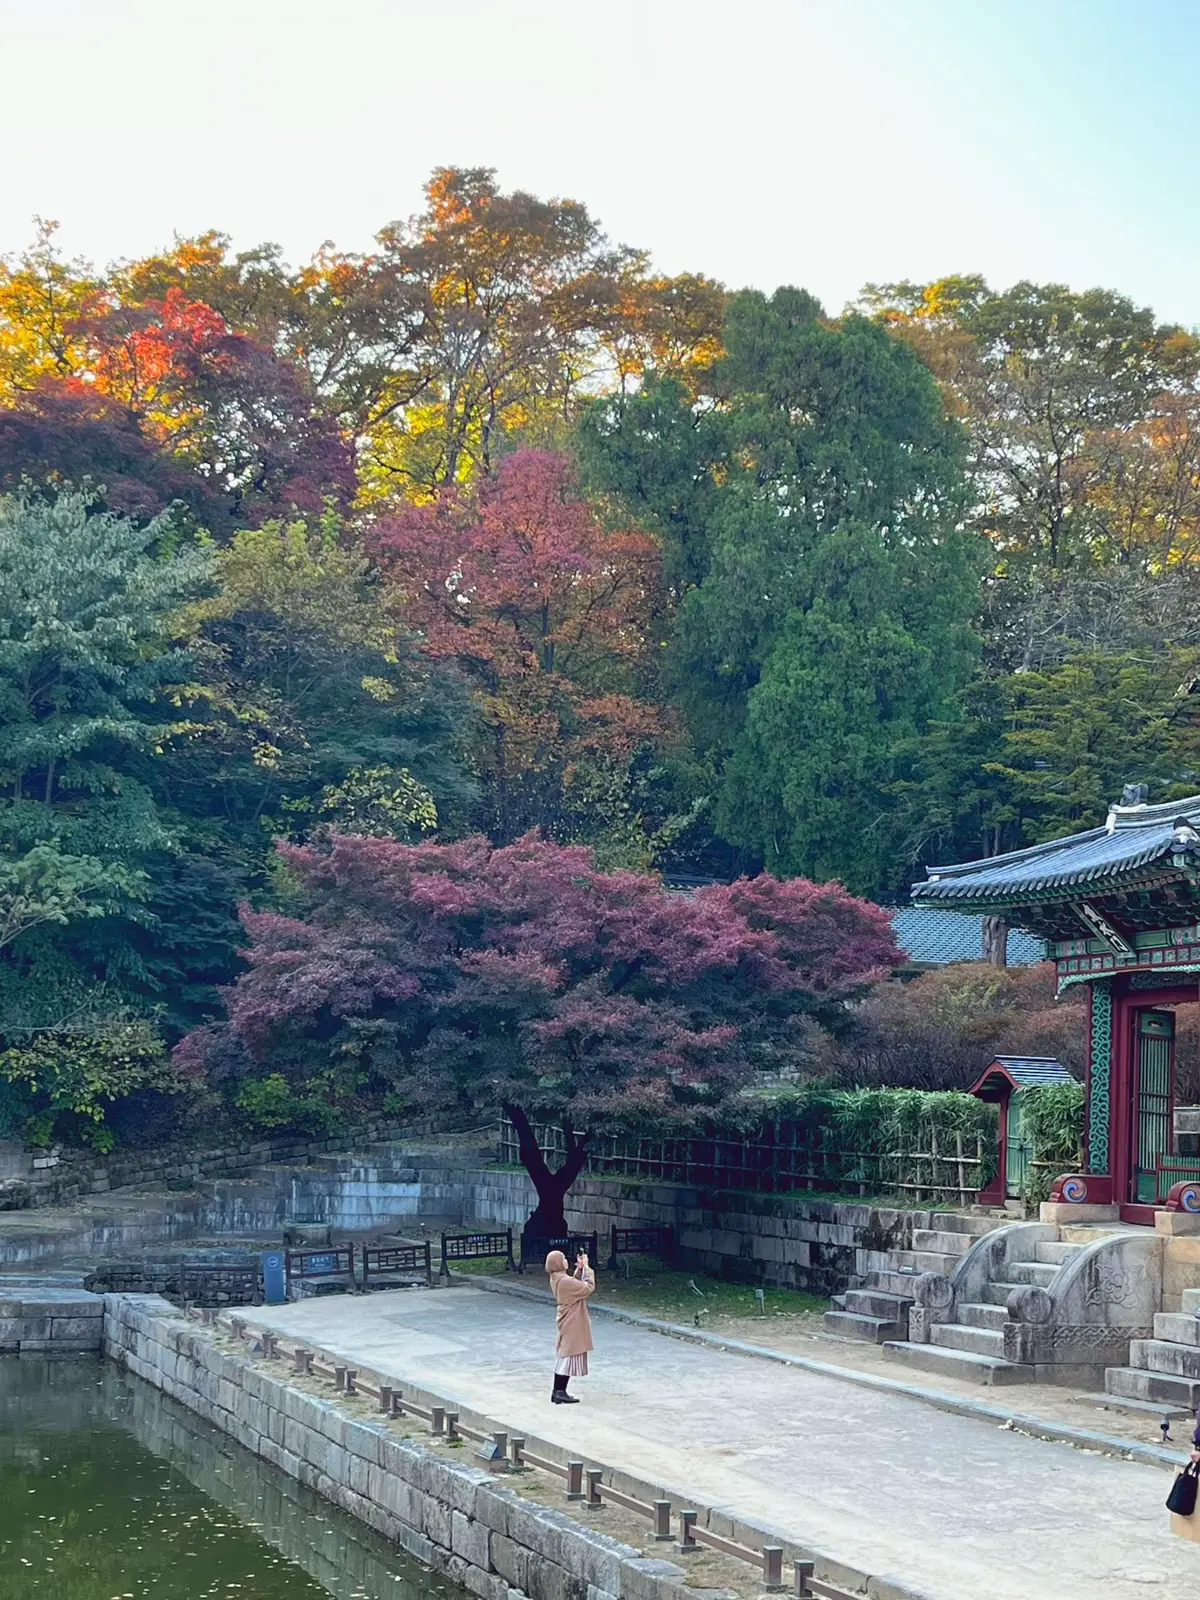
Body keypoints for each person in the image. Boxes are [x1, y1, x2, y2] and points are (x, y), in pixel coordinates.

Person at [545, 1248, 595, 1404]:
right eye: (564, 1258)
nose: (567, 1260)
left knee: (565, 1355)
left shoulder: (557, 1278)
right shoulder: (564, 1281)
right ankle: (559, 1391)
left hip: (568, 1318)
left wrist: (579, 1270)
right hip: (572, 1320)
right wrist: (587, 1267)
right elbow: (587, 1287)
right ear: (558, 1263)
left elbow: (575, 1285)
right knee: (567, 1355)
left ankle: (558, 1391)